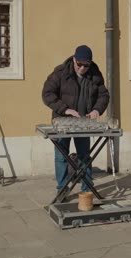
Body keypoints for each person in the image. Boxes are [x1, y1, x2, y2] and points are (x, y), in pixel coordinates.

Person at [42, 45, 110, 194]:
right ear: (74, 59)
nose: (82, 68)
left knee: (84, 156)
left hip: (84, 122)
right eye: (79, 64)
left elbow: (104, 95)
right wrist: (65, 109)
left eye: (86, 65)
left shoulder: (95, 74)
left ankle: (87, 189)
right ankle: (62, 189)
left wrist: (96, 110)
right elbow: (47, 94)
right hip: (62, 121)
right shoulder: (60, 73)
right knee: (61, 156)